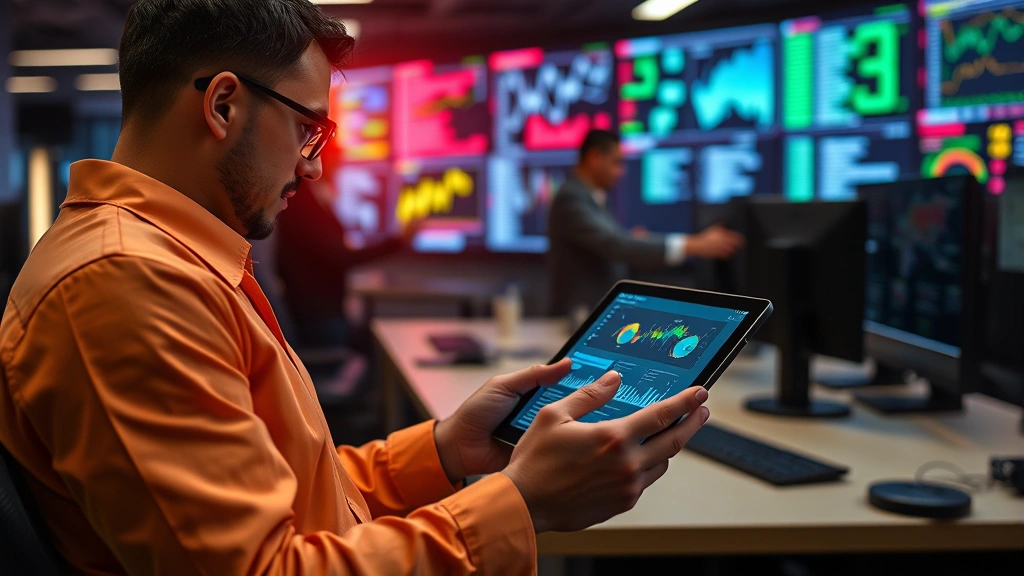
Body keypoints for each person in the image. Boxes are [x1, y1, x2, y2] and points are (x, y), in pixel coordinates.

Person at [0, 1, 710, 574]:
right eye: (309, 130)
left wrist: (442, 450)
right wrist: (519, 504)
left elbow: (285, 494)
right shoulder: (127, 284)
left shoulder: (168, 263)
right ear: (223, 105)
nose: (313, 169)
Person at [548, 129, 746, 316]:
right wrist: (693, 245)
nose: (621, 172)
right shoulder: (571, 197)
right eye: (616, 163)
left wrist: (632, 240)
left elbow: (612, 244)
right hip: (574, 319)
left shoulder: (596, 197)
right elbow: (614, 245)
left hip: (591, 315)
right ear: (594, 158)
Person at [274, 141, 418, 350]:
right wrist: (397, 242)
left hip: (323, 311)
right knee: (380, 348)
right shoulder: (302, 203)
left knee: (376, 345)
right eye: (335, 162)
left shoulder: (314, 197)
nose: (337, 169)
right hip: (316, 317)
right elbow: (340, 257)